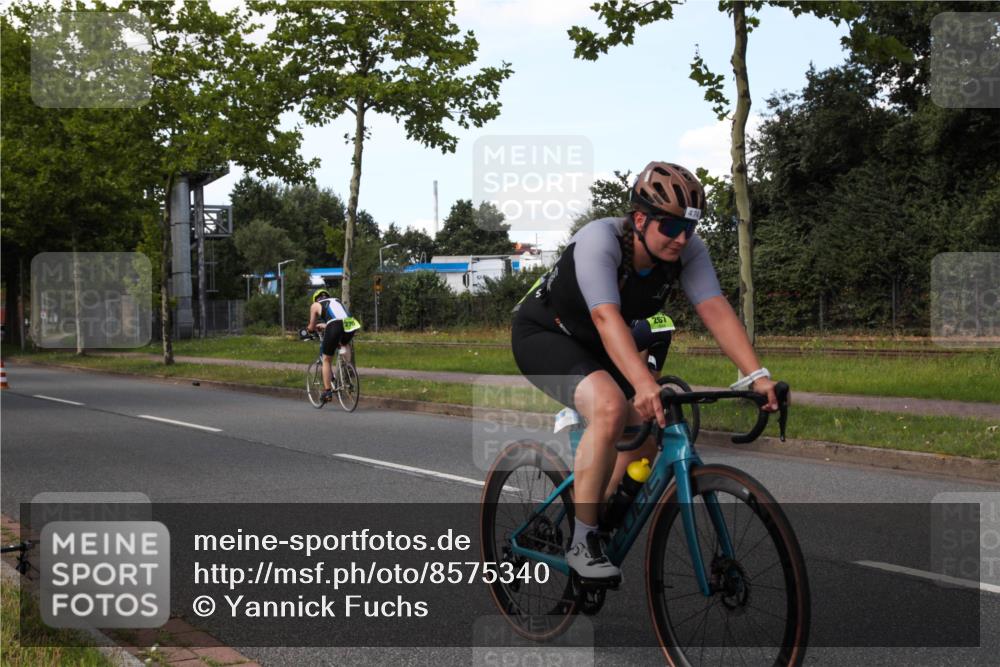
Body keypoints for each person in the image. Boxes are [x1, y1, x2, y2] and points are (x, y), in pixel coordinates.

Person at [511, 161, 778, 583]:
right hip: (545, 335)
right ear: (639, 219)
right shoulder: (600, 241)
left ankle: (598, 512)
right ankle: (582, 540)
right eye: (671, 226)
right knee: (611, 407)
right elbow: (605, 317)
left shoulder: (687, 251)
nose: (682, 238)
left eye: (689, 227)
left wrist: (756, 376)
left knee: (650, 428)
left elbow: (714, 308)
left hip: (602, 344)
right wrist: (641, 383)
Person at [307, 289, 357, 403]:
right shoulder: (336, 300)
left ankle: (327, 392)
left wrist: (310, 330)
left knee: (326, 360)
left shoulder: (315, 305)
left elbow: (311, 326)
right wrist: (325, 325)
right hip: (351, 323)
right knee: (343, 343)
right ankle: (348, 367)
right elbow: (339, 318)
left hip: (335, 325)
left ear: (316, 299)